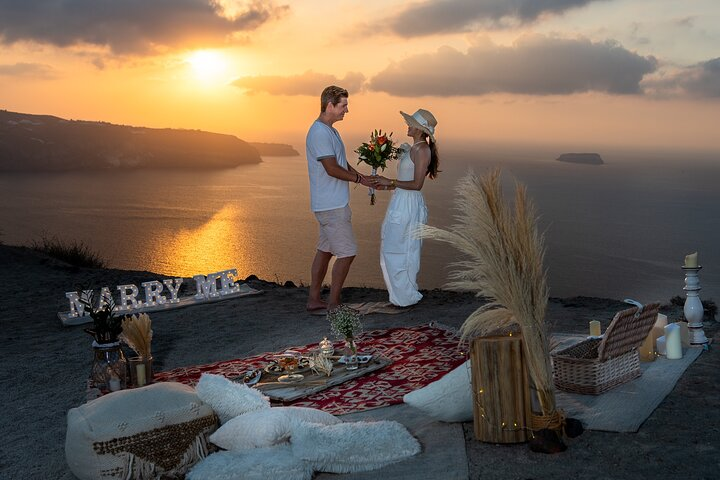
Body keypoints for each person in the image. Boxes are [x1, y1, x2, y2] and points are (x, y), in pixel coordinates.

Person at [305, 85, 370, 312]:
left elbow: (340, 164)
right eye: (343, 106)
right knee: (347, 252)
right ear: (330, 105)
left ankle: (314, 299)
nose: (346, 111)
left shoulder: (330, 130)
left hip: (329, 203)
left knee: (325, 250)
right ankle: (334, 304)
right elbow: (332, 168)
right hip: (331, 205)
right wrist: (359, 180)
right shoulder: (320, 133)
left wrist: (363, 177)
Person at [370, 109, 440, 307]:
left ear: (420, 129)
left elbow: (417, 184)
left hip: (409, 203)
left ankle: (406, 296)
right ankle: (399, 296)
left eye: (411, 123)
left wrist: (389, 180)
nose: (407, 126)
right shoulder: (411, 148)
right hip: (400, 199)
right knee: (390, 245)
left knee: (405, 249)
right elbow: (404, 180)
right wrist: (384, 185)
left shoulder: (422, 150)